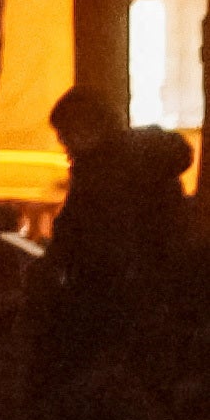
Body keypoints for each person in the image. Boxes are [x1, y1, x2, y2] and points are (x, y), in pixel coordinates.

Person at [42, 82, 201, 394]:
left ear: (87, 126)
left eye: (66, 134)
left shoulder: (104, 171)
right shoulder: (139, 157)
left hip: (122, 292)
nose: (63, 143)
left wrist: (56, 262)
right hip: (154, 286)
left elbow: (87, 231)